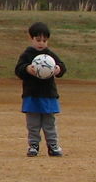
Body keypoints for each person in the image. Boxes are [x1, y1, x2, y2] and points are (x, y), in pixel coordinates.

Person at [15, 21, 68, 157]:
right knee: (33, 123)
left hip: (48, 95)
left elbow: (62, 67)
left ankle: (53, 145)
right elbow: (18, 69)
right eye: (38, 40)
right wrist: (27, 68)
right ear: (31, 39)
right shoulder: (27, 54)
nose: (41, 43)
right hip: (31, 95)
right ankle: (33, 145)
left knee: (49, 122)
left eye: (44, 40)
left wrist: (58, 69)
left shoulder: (50, 55)